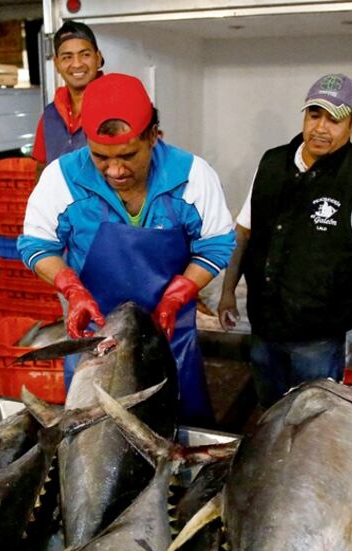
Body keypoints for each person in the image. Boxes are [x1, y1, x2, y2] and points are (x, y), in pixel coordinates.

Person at [19, 73, 236, 424]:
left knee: (181, 431)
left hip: (169, 334)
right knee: (92, 435)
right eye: (100, 157)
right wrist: (72, 290)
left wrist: (178, 295)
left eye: (128, 155)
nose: (115, 170)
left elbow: (215, 245)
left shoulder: (193, 175)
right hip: (95, 337)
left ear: (153, 135)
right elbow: (37, 245)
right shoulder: (61, 178)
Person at [218, 73, 352, 408]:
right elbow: (244, 232)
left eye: (334, 120)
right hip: (264, 326)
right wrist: (228, 292)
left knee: (313, 422)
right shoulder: (272, 163)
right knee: (269, 413)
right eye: (315, 115)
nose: (321, 128)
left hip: (317, 340)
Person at [32, 20, 105, 175]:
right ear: (57, 64)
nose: (77, 64)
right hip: (60, 200)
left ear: (98, 58)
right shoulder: (50, 114)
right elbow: (42, 168)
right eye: (67, 57)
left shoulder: (117, 104)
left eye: (85, 55)